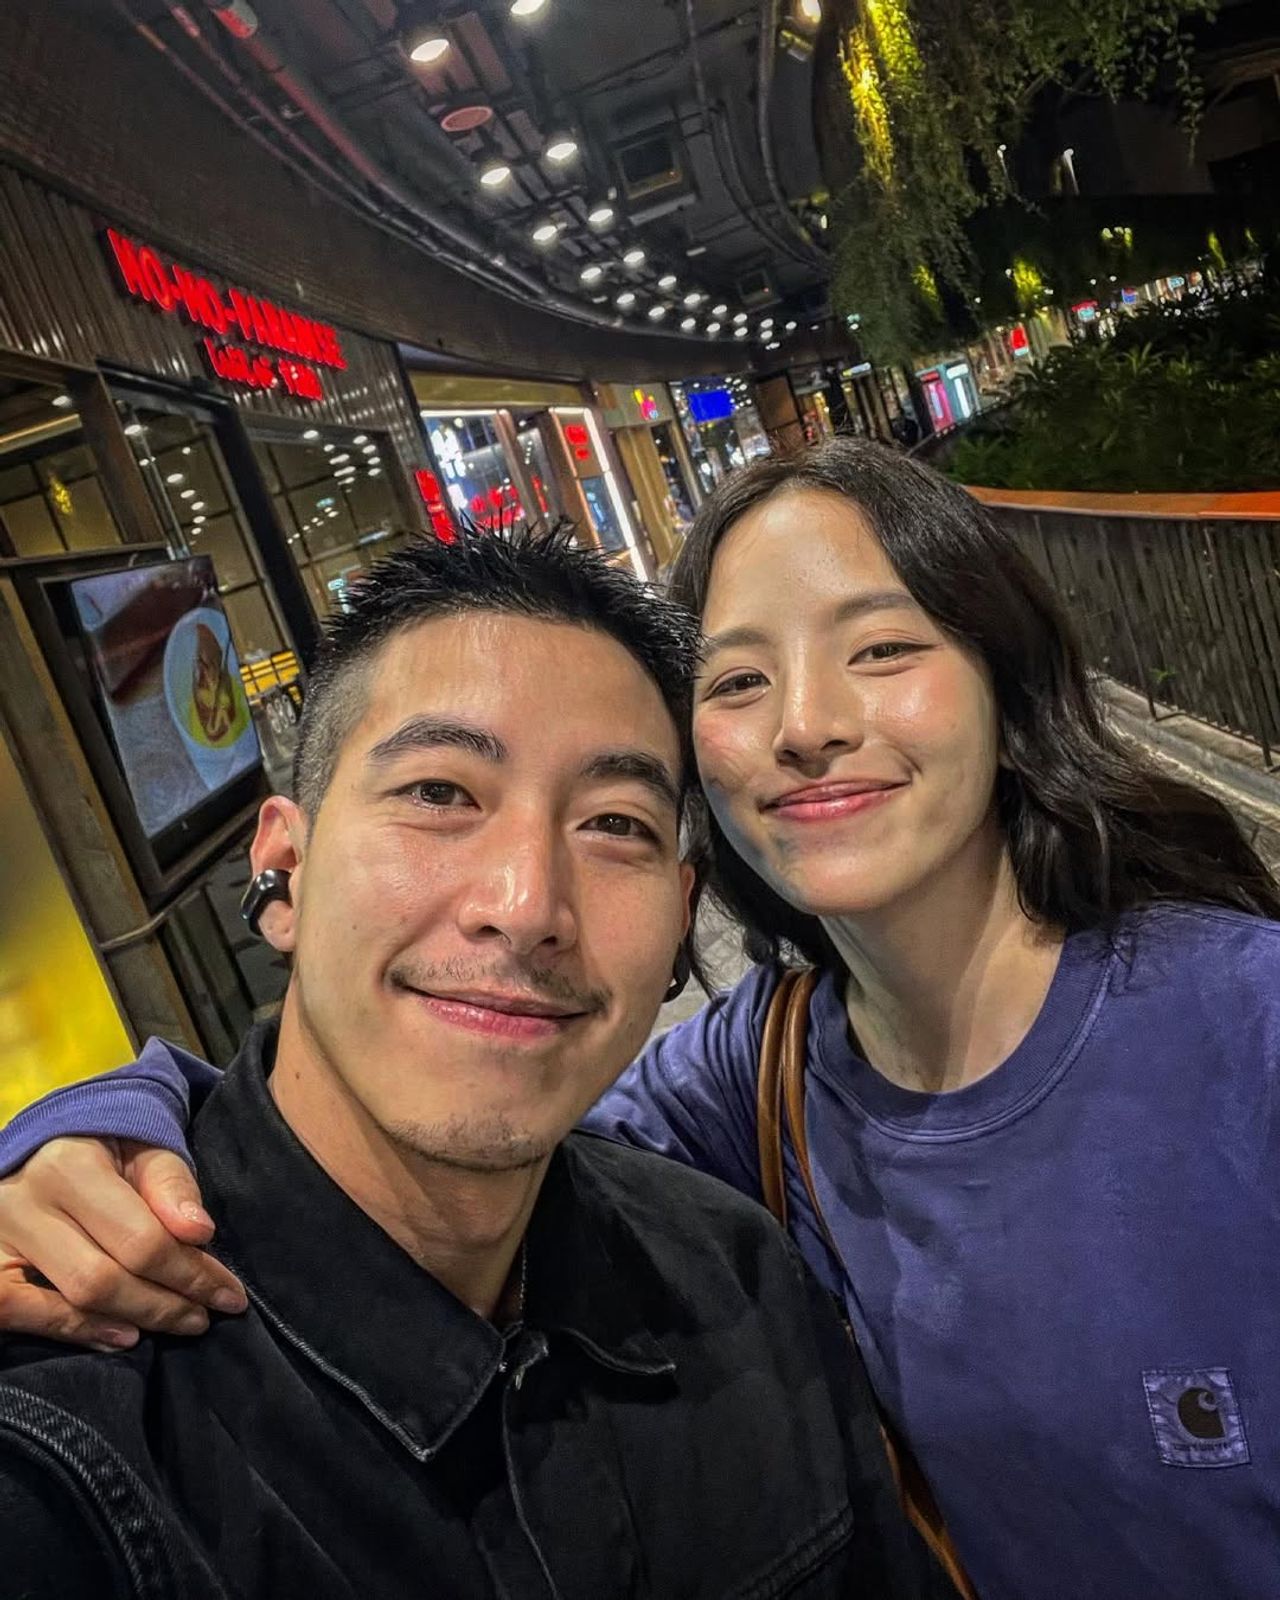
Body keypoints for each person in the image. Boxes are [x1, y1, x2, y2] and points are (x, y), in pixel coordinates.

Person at [3, 438, 1280, 1597]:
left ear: (1007, 680)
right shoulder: (747, 1087)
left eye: (882, 649)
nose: (806, 725)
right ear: (280, 867)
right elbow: (458, 1113)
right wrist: (106, 1125)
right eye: (441, 792)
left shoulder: (1240, 1023)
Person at [0, 526, 943, 1600]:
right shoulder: (68, 1445)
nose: (527, 904)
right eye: (440, 794)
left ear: (681, 915)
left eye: (615, 822)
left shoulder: (735, 1276)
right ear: (285, 868)